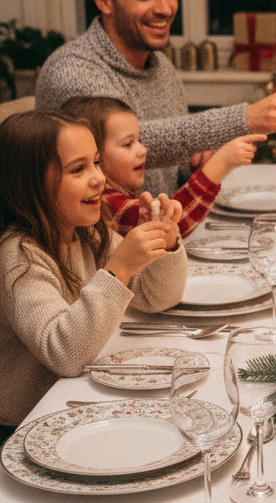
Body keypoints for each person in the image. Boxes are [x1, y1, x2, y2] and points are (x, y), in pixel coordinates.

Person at [35, 0, 276, 195]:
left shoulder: (161, 67)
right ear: (104, 1)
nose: (165, 8)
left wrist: (195, 162)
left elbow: (168, 167)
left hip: (164, 231)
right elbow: (128, 144)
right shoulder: (72, 69)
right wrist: (245, 119)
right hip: (108, 242)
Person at [0, 110, 187, 435]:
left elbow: (158, 298)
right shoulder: (20, 256)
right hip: (24, 427)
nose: (99, 177)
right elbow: (63, 353)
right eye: (78, 169)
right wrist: (120, 268)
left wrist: (165, 243)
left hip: (74, 406)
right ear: (29, 184)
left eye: (96, 162)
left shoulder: (89, 234)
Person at [62, 96, 266, 238]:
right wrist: (219, 165)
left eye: (139, 140)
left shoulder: (118, 191)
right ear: (94, 154)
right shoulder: (105, 203)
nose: (143, 150)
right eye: (128, 144)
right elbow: (171, 227)